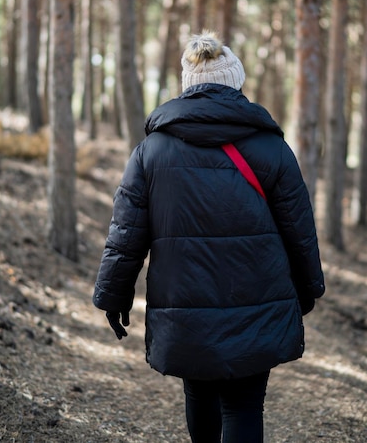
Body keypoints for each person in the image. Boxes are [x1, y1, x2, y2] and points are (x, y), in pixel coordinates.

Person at [93, 31, 325, 443]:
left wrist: (112, 296)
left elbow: (126, 234)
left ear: (188, 85)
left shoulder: (152, 151)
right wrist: (308, 290)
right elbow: (300, 230)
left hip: (185, 301)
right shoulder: (272, 148)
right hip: (257, 296)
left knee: (199, 392)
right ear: (235, 81)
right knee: (244, 405)